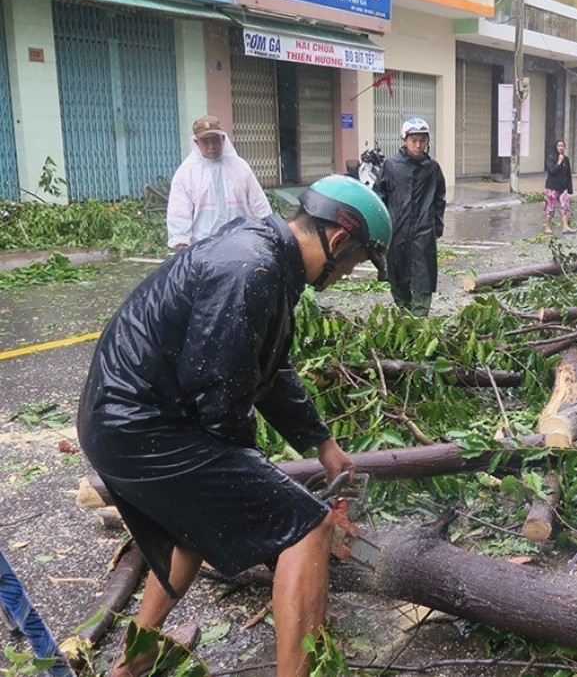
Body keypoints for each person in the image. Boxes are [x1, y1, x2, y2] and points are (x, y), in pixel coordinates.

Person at [78, 175, 392, 677]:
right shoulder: (253, 268)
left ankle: (132, 662)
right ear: (338, 242)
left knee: (196, 527)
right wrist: (270, 506)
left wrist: (323, 444)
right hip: (142, 428)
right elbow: (221, 399)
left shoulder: (267, 255)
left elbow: (272, 367)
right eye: (355, 262)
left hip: (120, 424)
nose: (348, 274)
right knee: (307, 527)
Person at [373, 117, 447, 317]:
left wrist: (436, 226)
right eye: (413, 140)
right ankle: (404, 311)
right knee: (397, 273)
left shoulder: (432, 168)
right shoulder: (391, 165)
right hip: (397, 229)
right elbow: (379, 196)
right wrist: (381, 227)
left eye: (422, 140)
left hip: (423, 231)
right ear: (404, 140)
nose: (418, 145)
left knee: (423, 275)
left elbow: (439, 199)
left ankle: (420, 316)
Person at [166, 115, 272, 251]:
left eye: (215, 140)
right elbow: (179, 211)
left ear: (223, 139)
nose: (212, 146)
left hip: (242, 244)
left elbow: (258, 203)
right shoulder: (186, 173)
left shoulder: (239, 167)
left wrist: (269, 230)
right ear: (197, 143)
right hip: (204, 248)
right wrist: (182, 245)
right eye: (205, 141)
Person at [543, 139, 574, 235]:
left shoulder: (566, 159)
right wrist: (558, 163)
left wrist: (569, 188)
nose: (561, 148)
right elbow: (552, 171)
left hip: (563, 187)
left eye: (562, 146)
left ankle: (565, 226)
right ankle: (547, 226)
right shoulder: (551, 158)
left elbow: (568, 174)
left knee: (565, 206)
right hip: (552, 187)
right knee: (550, 207)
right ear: (555, 147)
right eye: (559, 146)